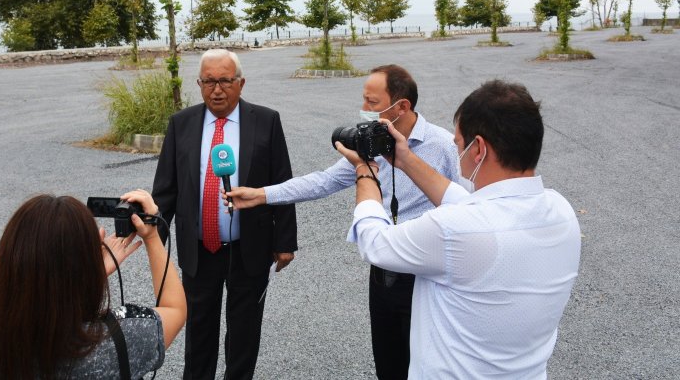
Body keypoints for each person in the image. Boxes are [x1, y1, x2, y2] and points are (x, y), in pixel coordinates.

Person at [336, 80, 582, 378]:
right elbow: (470, 206)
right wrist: (405, 160)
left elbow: (375, 243)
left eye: (458, 144)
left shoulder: (456, 229)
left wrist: (365, 171)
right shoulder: (561, 212)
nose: (456, 151)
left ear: (478, 148)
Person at [227, 64, 458, 380]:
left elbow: (466, 206)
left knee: (425, 367)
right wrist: (260, 195)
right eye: (363, 100)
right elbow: (321, 181)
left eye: (372, 103)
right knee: (389, 365)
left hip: (427, 277)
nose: (363, 110)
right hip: (383, 272)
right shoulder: (370, 145)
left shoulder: (443, 146)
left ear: (402, 106)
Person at [151, 49, 297, 379]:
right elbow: (166, 191)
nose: (217, 89)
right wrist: (154, 243)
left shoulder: (266, 120)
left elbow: (282, 183)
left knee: (244, 334)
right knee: (199, 333)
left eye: (225, 81)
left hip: (250, 249)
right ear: (199, 84)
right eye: (209, 81)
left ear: (240, 83)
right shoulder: (181, 124)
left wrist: (285, 240)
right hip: (199, 251)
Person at [0, 189, 186, 379]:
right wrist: (151, 237)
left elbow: (45, 295)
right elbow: (174, 308)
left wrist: (86, 275)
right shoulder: (118, 339)